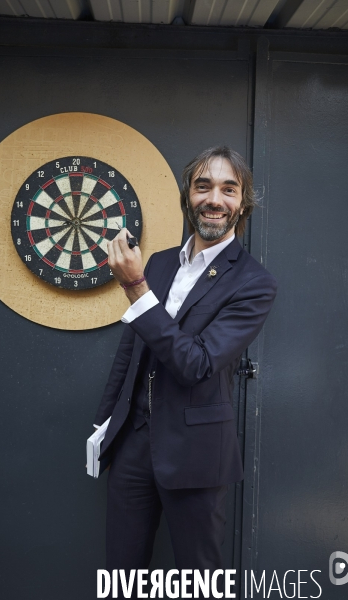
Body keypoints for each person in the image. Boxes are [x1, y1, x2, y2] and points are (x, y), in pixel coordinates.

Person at [93, 146, 277, 596]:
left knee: (201, 583)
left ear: (243, 202)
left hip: (196, 454)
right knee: (120, 577)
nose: (215, 199)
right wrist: (106, 425)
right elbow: (130, 351)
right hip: (132, 445)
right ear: (187, 196)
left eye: (228, 189)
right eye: (203, 186)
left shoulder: (254, 283)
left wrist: (135, 288)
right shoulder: (157, 262)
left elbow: (195, 364)